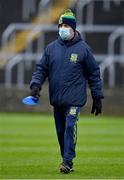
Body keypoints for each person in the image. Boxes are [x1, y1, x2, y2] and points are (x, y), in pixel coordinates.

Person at [29, 9, 104, 174]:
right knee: (60, 131)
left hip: (74, 100)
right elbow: (41, 69)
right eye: (60, 25)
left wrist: (97, 97)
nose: (62, 28)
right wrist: (35, 86)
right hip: (57, 100)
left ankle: (68, 161)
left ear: (73, 28)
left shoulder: (84, 49)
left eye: (65, 25)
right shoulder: (51, 49)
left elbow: (94, 74)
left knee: (70, 126)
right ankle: (66, 159)